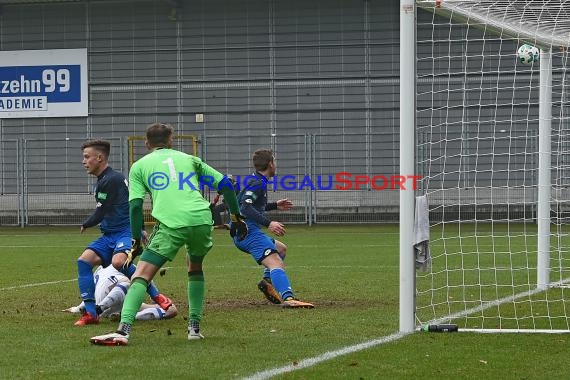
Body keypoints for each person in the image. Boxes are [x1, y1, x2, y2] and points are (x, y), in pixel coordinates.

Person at [90, 122, 247, 346]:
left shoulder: (139, 166)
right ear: (171, 141)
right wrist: (236, 217)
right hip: (202, 219)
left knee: (141, 275)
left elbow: (134, 206)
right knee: (194, 267)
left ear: (146, 143)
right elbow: (226, 185)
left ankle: (123, 331)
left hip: (172, 223)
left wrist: (135, 241)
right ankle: (194, 328)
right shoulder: (190, 159)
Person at [76, 139, 172, 326]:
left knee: (119, 262)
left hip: (124, 232)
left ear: (100, 157)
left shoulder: (111, 179)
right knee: (83, 262)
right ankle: (90, 314)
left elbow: (102, 211)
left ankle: (157, 296)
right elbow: (131, 203)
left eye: (87, 157)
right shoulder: (107, 179)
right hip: (109, 234)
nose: (84, 161)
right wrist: (143, 227)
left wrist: (86, 223)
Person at [233, 148, 314, 308]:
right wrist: (269, 223)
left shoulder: (255, 180)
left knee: (281, 249)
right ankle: (289, 299)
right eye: (275, 162)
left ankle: (267, 282)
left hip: (244, 230)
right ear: (270, 164)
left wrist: (274, 205)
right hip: (249, 232)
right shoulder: (257, 183)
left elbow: (248, 204)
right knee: (276, 263)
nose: (275, 165)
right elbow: (245, 208)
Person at [64, 265, 178, 321]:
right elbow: (145, 278)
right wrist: (156, 296)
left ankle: (117, 314)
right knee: (130, 282)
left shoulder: (99, 268)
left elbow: (90, 293)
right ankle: (132, 316)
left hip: (110, 303)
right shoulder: (123, 262)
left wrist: (77, 308)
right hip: (111, 300)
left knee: (172, 310)